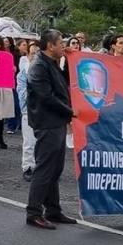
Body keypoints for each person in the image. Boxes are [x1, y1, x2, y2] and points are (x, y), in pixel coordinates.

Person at [25, 29, 79, 229]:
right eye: (61, 43)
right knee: (45, 168)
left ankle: (53, 210)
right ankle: (34, 212)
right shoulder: (39, 66)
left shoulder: (53, 64)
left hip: (56, 122)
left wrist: (72, 61)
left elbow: (63, 86)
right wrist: (71, 112)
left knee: (55, 168)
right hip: (47, 123)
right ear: (50, 45)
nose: (64, 46)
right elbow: (46, 97)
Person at [17, 41, 40, 181]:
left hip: (45, 113)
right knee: (29, 142)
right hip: (29, 111)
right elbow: (22, 94)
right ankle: (28, 167)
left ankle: (42, 167)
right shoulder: (23, 74)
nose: (35, 56)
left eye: (38, 53)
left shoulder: (48, 71)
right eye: (32, 54)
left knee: (43, 142)